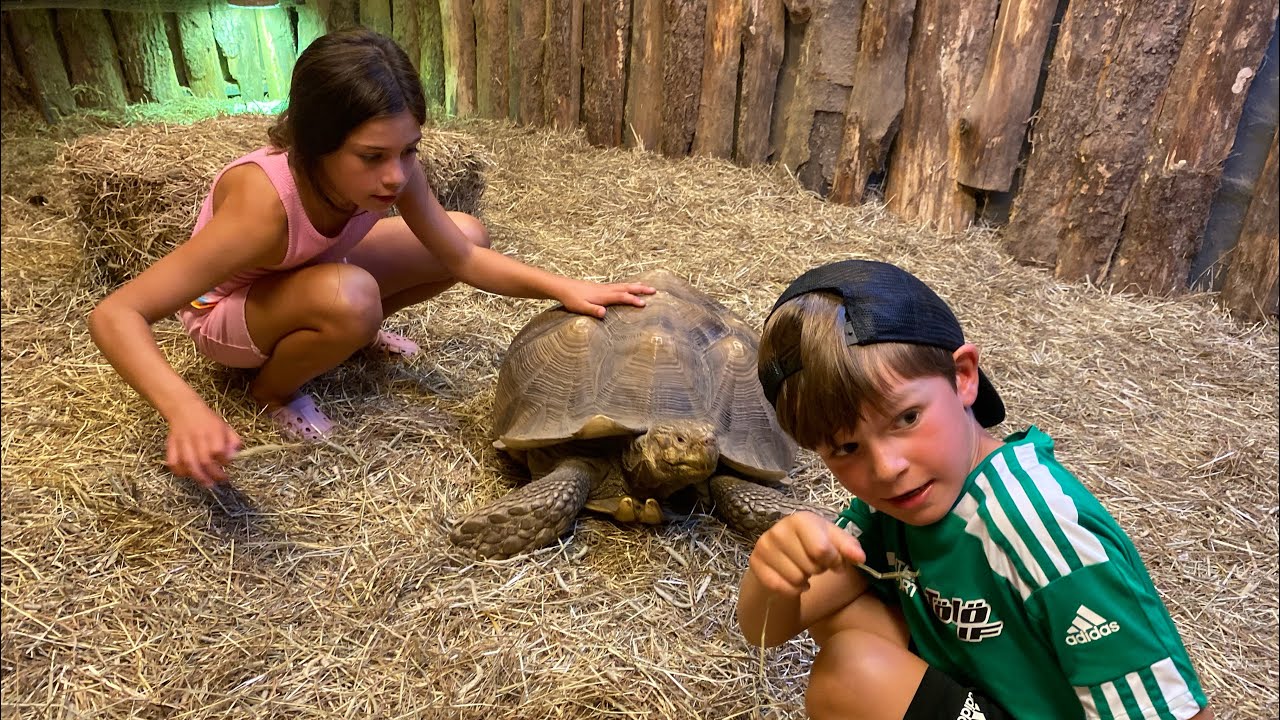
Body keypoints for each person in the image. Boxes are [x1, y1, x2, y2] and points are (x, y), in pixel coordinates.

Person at [87, 28, 654, 489]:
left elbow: (460, 258)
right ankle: (272, 390)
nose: (396, 174)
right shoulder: (263, 204)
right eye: (372, 155)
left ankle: (343, 327)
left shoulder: (391, 172)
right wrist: (183, 410)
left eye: (409, 150)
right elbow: (115, 315)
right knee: (353, 298)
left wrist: (562, 286)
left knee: (469, 231)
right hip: (225, 311)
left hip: (301, 279)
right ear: (314, 143)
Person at [736, 259, 1211, 720]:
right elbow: (766, 627)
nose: (886, 468)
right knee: (840, 613)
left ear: (964, 376)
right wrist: (772, 571)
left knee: (853, 672)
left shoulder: (1034, 525)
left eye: (907, 418)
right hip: (988, 696)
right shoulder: (894, 508)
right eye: (845, 447)